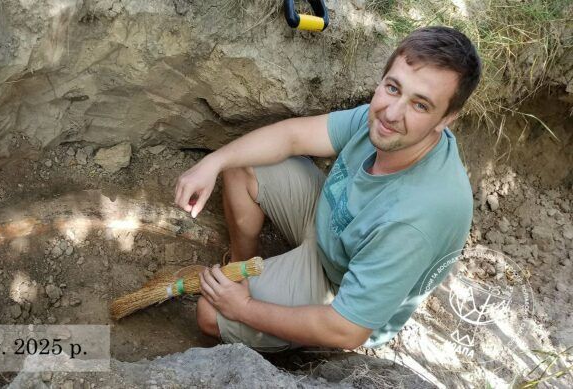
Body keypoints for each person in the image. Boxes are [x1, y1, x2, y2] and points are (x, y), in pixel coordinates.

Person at [173, 26, 481, 350]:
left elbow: (347, 331)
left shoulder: (415, 218)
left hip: (336, 287)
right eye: (392, 88)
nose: (392, 113)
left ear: (447, 118)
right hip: (328, 223)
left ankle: (247, 299)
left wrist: (244, 308)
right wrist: (213, 162)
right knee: (239, 162)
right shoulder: (382, 123)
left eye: (420, 105)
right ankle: (240, 267)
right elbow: (292, 136)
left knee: (210, 312)